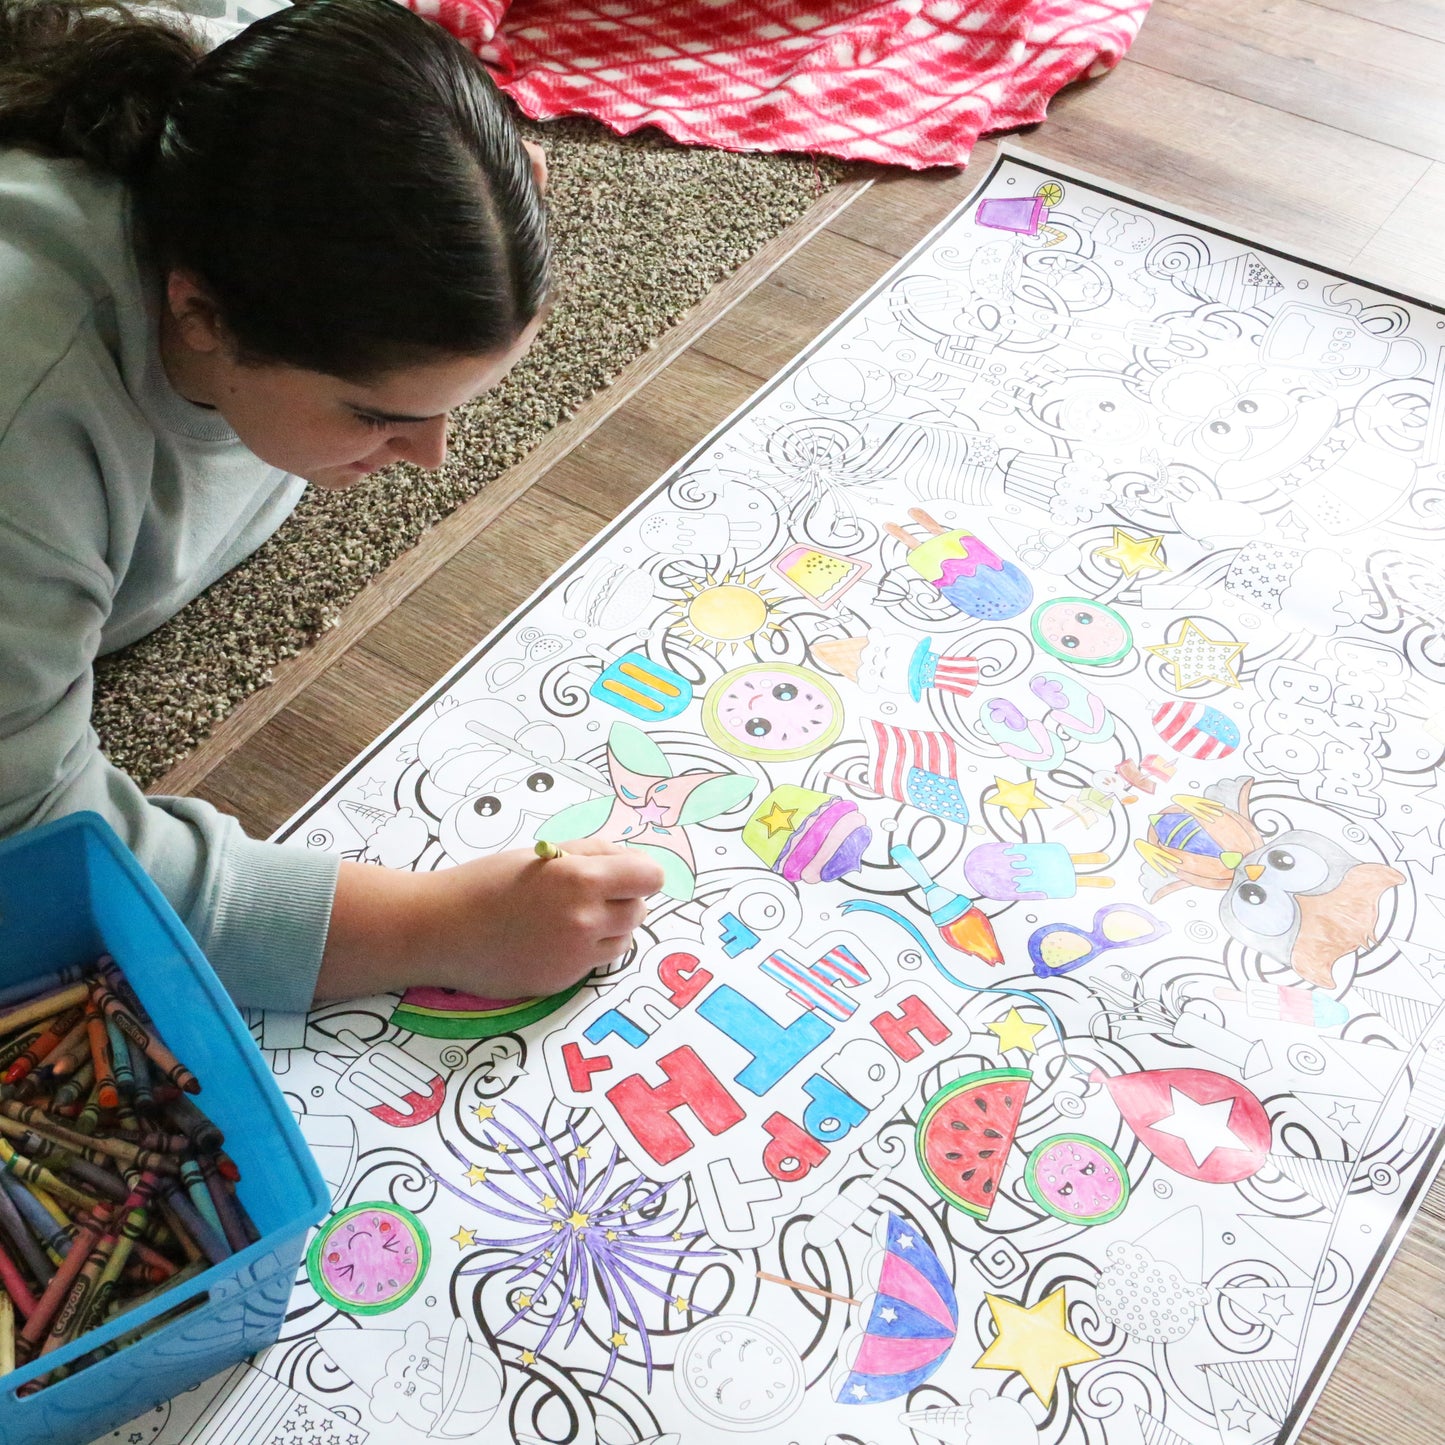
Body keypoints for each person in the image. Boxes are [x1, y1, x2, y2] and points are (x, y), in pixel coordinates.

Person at [0, 0, 663, 1013]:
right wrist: (436, 927)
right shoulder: (26, 419)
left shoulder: (273, 126)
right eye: (376, 415)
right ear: (198, 311)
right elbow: (34, 860)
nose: (433, 459)